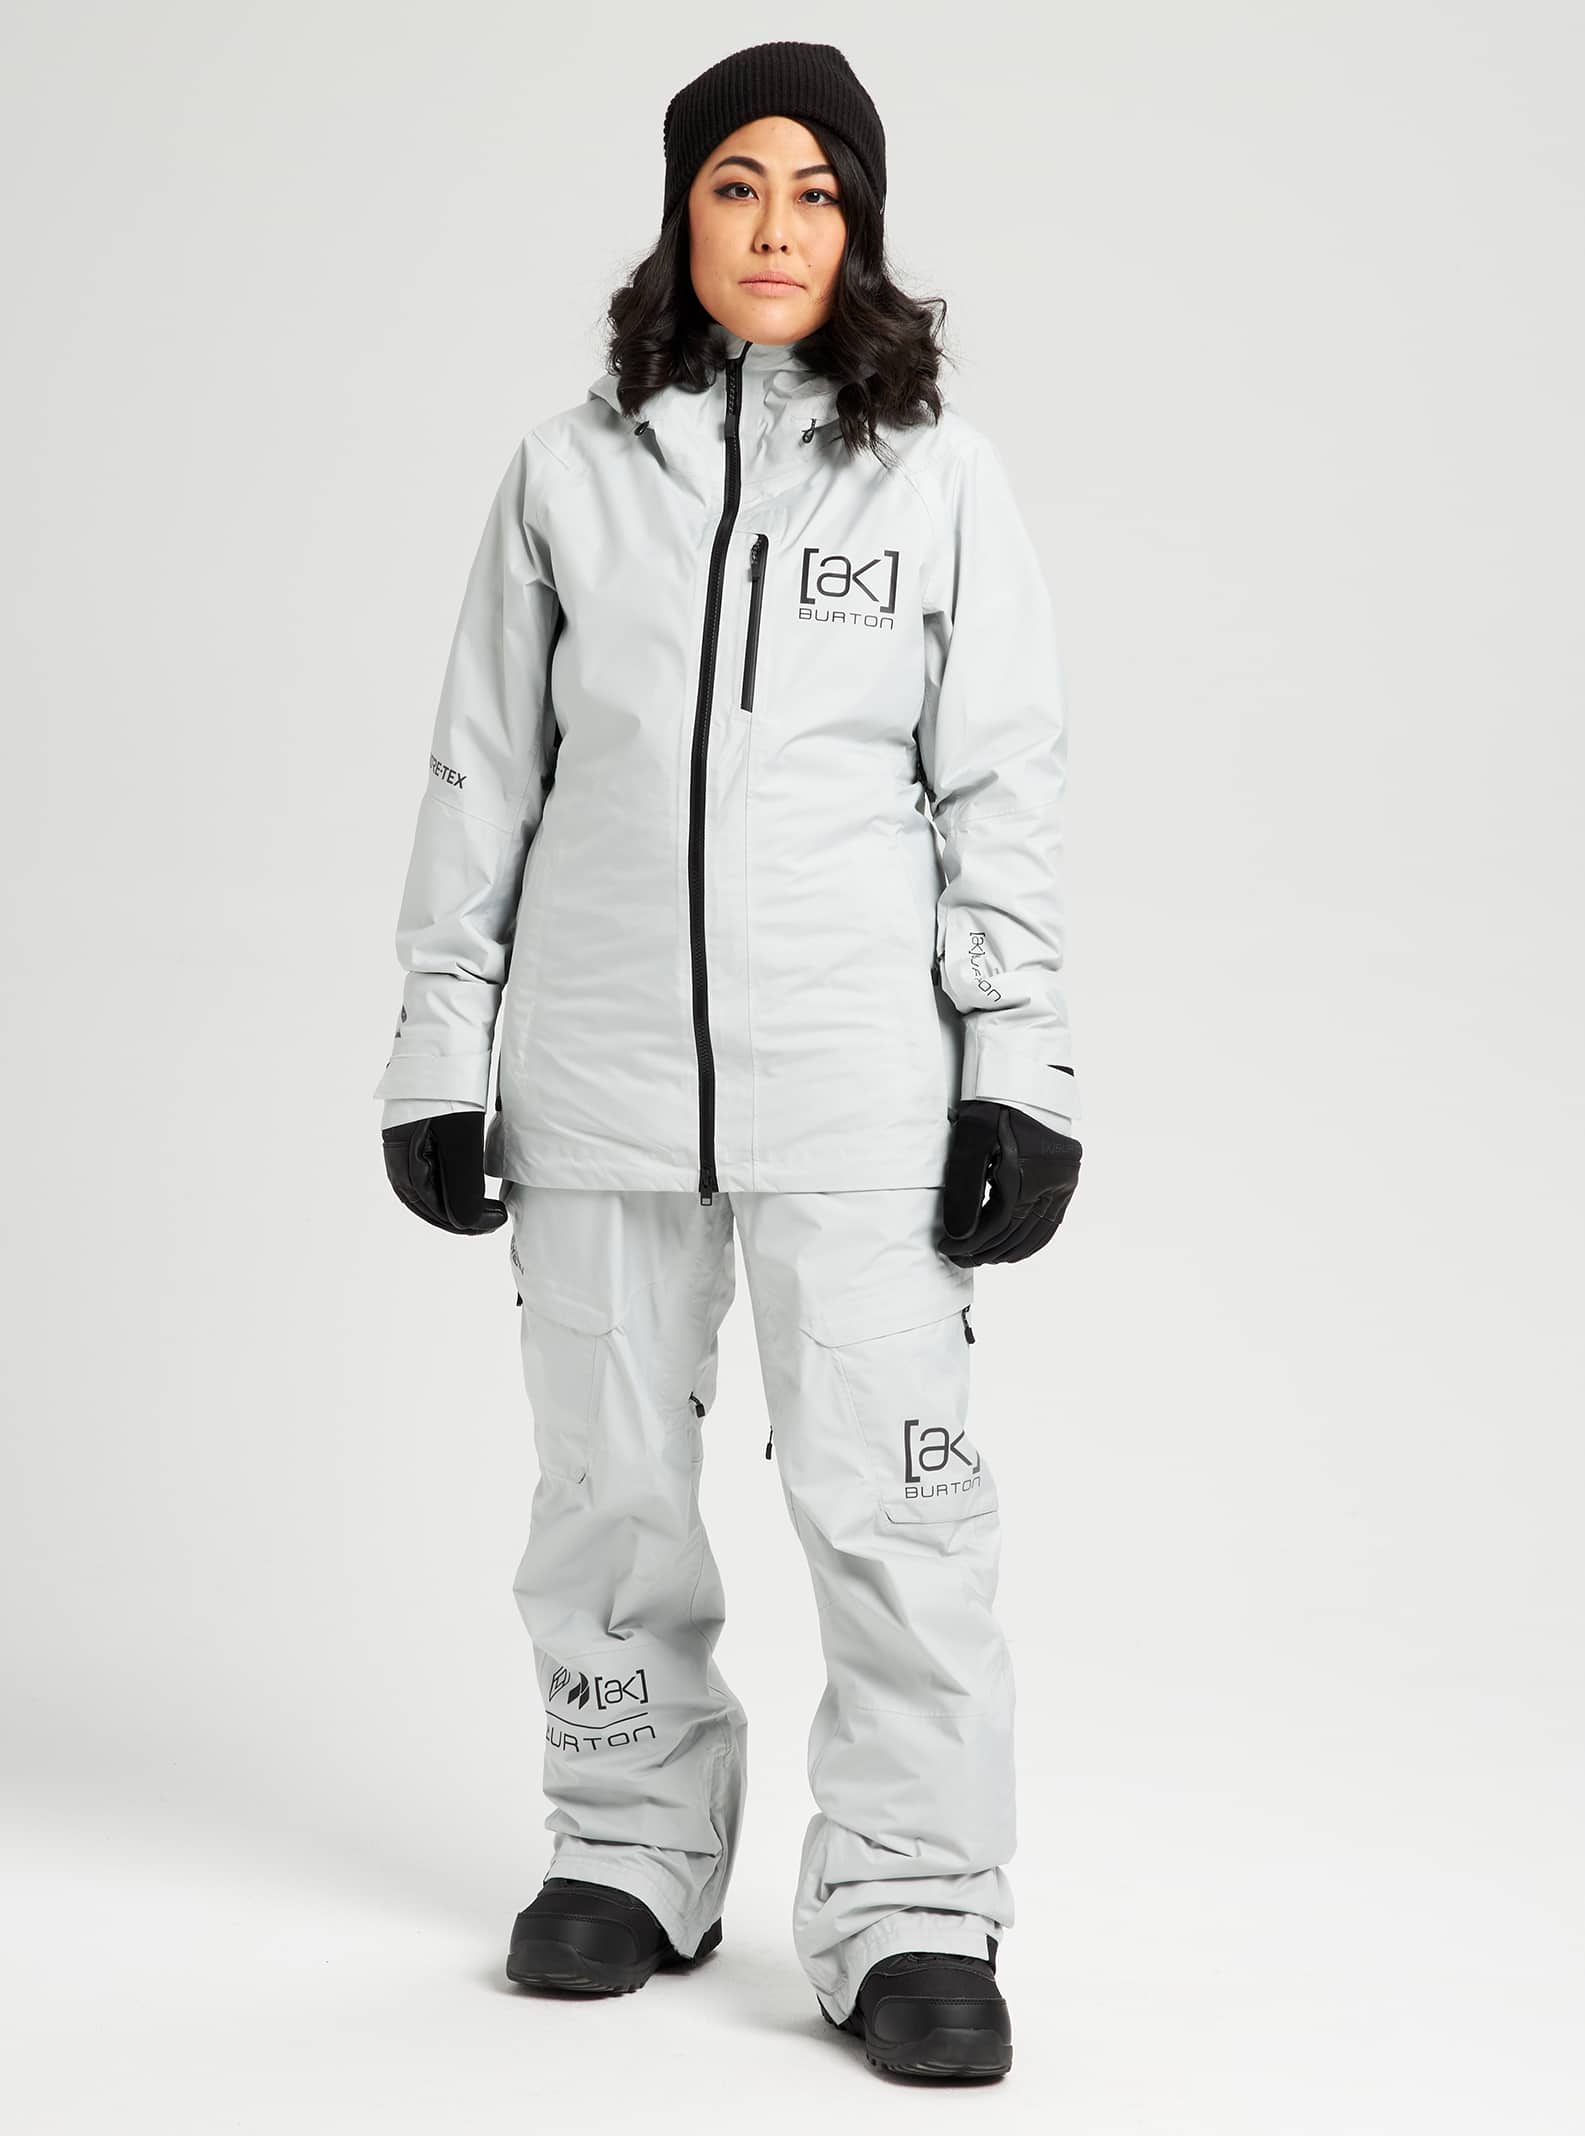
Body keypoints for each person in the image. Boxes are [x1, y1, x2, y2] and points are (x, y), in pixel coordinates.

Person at [372, 39, 1083, 2083]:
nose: (776, 228)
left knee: (893, 1509)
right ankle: (628, 1844)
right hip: (596, 1084)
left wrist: (1018, 1065)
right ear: (681, 214)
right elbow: (483, 774)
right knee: (606, 1500)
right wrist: (438, 1046)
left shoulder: (935, 480)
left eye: (815, 192)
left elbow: (1002, 788)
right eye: (736, 186)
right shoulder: (566, 476)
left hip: (857, 1091)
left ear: (860, 226)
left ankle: (912, 1901)